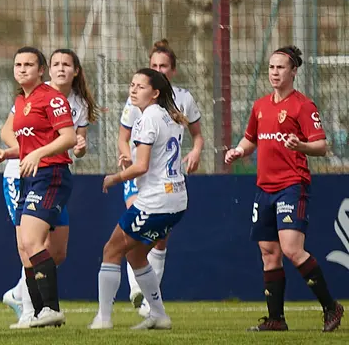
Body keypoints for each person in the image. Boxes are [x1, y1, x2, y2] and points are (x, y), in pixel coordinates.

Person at [225, 46, 343, 332]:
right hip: (263, 188)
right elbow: (250, 138)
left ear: (293, 72)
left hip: (292, 185)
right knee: (269, 252)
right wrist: (239, 151)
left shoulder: (303, 106)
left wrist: (301, 145)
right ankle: (276, 319)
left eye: (280, 67)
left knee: (291, 249)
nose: (274, 72)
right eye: (271, 67)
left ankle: (331, 307)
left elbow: (322, 145)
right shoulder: (260, 105)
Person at [0, 49, 98, 326]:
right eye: (17, 64)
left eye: (29, 64)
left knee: (37, 244)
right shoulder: (21, 101)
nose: (22, 69)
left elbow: (68, 138)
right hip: (27, 175)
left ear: (41, 70)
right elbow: (17, 137)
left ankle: (49, 309)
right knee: (24, 246)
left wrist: (37, 154)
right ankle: (37, 313)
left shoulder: (53, 98)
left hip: (50, 174)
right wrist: (9, 152)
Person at [92, 68, 188, 330]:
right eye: (132, 84)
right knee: (135, 255)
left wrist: (116, 177)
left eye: (140, 86)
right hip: (176, 201)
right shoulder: (171, 117)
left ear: (155, 93)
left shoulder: (148, 118)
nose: (133, 90)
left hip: (156, 201)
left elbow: (142, 165)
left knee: (111, 250)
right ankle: (158, 315)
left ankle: (103, 319)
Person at [118, 39, 203, 315]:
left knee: (160, 238)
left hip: (167, 178)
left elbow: (197, 135)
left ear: (173, 70)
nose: (158, 69)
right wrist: (126, 157)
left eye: (163, 66)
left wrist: (196, 152)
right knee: (134, 231)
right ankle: (136, 290)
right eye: (153, 65)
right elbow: (123, 138)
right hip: (139, 174)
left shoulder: (183, 99)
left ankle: (149, 297)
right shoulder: (137, 99)